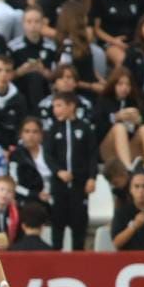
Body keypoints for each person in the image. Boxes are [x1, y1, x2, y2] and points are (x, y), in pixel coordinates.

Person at [45, 92, 97, 250]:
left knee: (79, 224)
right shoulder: (53, 129)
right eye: (54, 106)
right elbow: (47, 155)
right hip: (59, 186)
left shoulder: (85, 128)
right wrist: (58, 171)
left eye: (59, 105)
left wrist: (92, 177)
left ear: (71, 106)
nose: (56, 110)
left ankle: (78, 258)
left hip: (79, 185)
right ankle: (56, 258)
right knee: (57, 224)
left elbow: (92, 154)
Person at [94, 67, 144, 170]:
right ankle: (128, 169)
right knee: (119, 128)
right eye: (120, 84)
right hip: (107, 150)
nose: (124, 88)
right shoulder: (104, 100)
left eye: (128, 84)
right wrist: (116, 117)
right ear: (113, 85)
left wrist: (139, 119)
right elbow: (98, 124)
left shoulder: (134, 100)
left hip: (129, 147)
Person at [9, 6, 57, 108]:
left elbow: (56, 76)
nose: (33, 25)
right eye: (29, 22)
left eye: (37, 21)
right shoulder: (13, 47)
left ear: (43, 23)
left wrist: (42, 71)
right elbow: (6, 75)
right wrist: (20, 71)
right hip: (20, 90)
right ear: (23, 24)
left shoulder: (51, 47)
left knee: (36, 77)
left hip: (45, 90)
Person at [9, 116, 55, 207]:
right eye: (27, 131)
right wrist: (35, 195)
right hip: (28, 200)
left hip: (53, 196)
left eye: (35, 132)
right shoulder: (16, 155)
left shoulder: (50, 152)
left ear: (41, 135)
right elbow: (14, 183)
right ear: (21, 134)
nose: (31, 135)